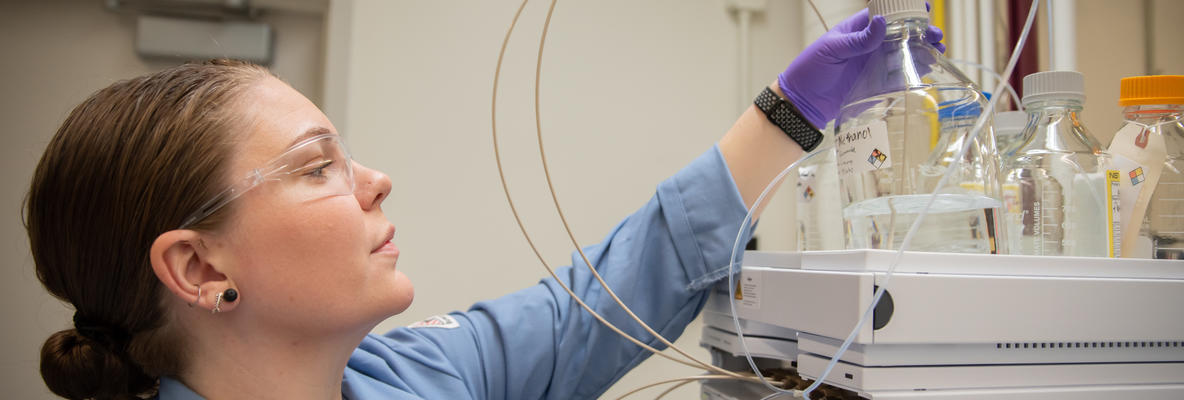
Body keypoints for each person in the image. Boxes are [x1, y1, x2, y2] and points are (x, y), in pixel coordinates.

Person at [26, 9, 943, 400]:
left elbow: (596, 304)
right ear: (198, 266)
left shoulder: (411, 376)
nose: (374, 181)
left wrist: (794, 108)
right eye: (316, 168)